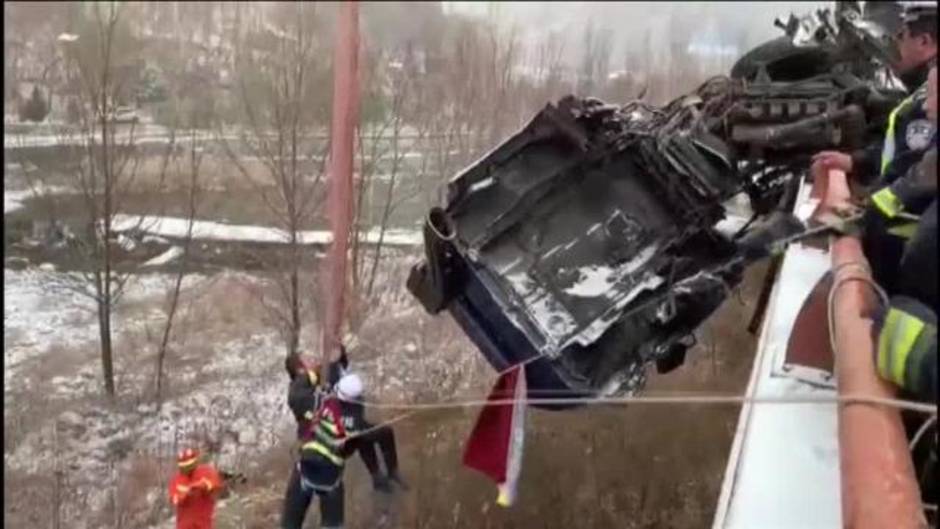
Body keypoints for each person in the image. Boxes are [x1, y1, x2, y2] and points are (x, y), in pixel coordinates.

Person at [333, 373, 408, 493]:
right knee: (383, 433)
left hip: (348, 435)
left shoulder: (340, 402)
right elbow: (354, 426)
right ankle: (388, 472)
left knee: (364, 436)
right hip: (339, 448)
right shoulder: (352, 416)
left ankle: (378, 475)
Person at [168, 448, 224, 529]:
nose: (187, 469)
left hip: (203, 522)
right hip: (184, 524)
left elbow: (216, 485)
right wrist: (183, 495)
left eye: (189, 466)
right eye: (184, 467)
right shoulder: (176, 480)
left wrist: (203, 486)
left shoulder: (206, 472)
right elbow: (173, 498)